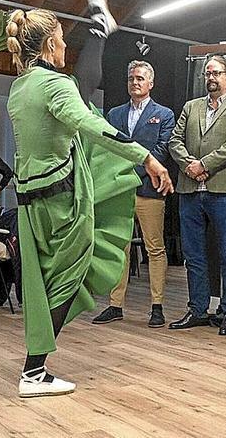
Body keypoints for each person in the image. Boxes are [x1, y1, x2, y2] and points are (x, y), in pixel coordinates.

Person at [5, 0, 172, 398]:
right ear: (47, 45)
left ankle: (100, 29)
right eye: (61, 41)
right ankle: (34, 371)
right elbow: (94, 125)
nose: (64, 49)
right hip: (61, 198)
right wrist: (146, 157)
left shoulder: (22, 85)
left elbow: (74, 105)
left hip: (28, 199)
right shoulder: (54, 86)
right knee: (69, 276)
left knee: (42, 283)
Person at [167, 55, 226, 336]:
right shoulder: (191, 106)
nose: (211, 78)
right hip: (190, 189)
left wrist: (204, 164)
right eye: (207, 73)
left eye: (216, 73)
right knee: (193, 255)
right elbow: (173, 140)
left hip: (224, 190)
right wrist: (189, 166)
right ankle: (197, 309)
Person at [92, 60, 174, 328]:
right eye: (131, 79)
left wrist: (135, 171)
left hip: (149, 189)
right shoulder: (113, 114)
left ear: (150, 83)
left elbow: (162, 151)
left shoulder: (164, 114)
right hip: (118, 191)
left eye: (140, 78)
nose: (134, 83)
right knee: (120, 248)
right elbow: (105, 147)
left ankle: (157, 306)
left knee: (154, 248)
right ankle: (115, 306)